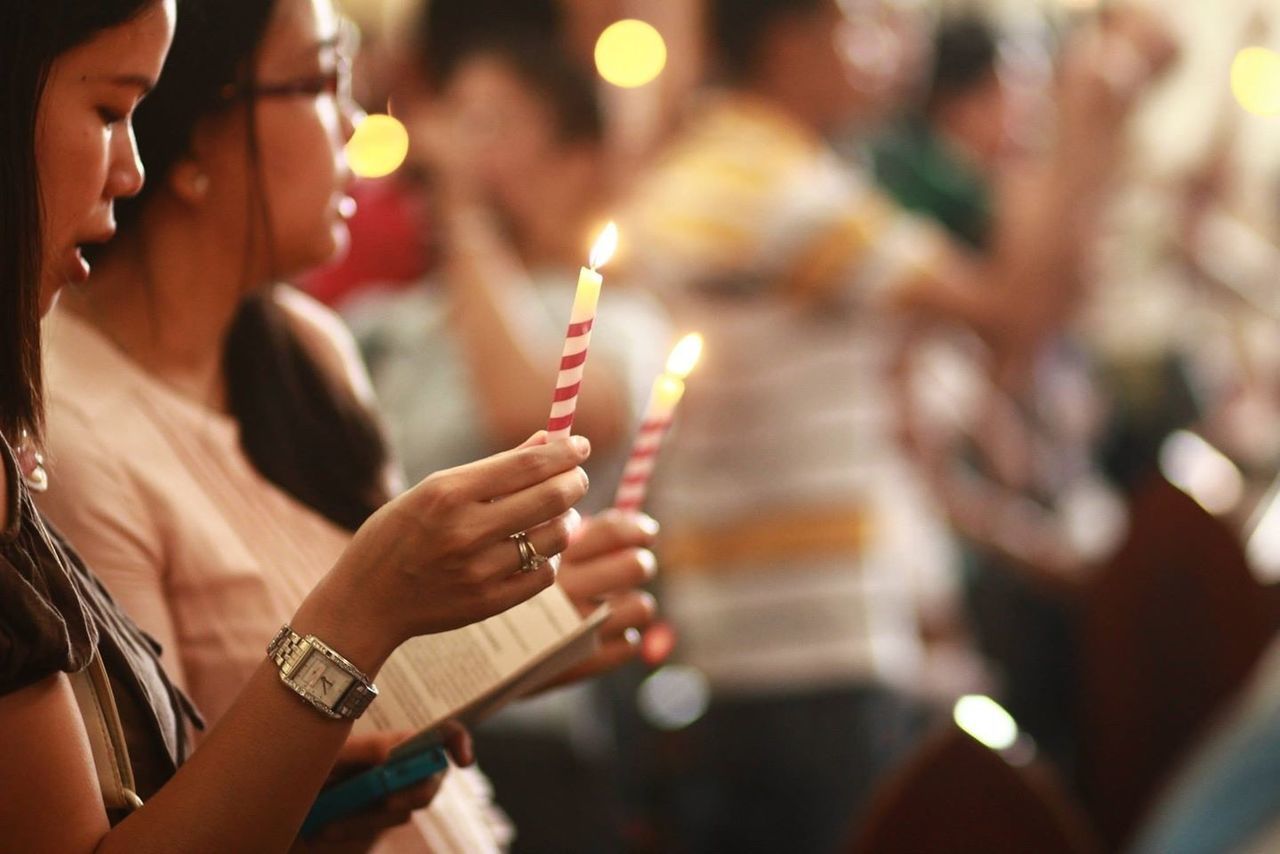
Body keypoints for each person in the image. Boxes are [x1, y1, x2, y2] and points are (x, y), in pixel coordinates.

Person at [32, 0, 659, 850]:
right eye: (324, 81)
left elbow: (370, 701)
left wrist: (514, 635)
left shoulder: (305, 345)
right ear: (195, 137)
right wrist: (368, 604)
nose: (361, 125)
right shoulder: (70, 418)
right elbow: (166, 795)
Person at [619, 0, 1176, 849]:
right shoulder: (771, 187)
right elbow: (1015, 314)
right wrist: (1089, 114)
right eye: (857, 24)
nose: (882, 50)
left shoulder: (754, 170)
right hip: (796, 646)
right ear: (787, 40)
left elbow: (1015, 331)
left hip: (766, 634)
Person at [345, 29, 671, 502]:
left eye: (487, 124)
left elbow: (532, 418)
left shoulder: (624, 318)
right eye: (453, 117)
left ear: (577, 162)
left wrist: (463, 212)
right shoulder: (388, 317)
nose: (455, 147)